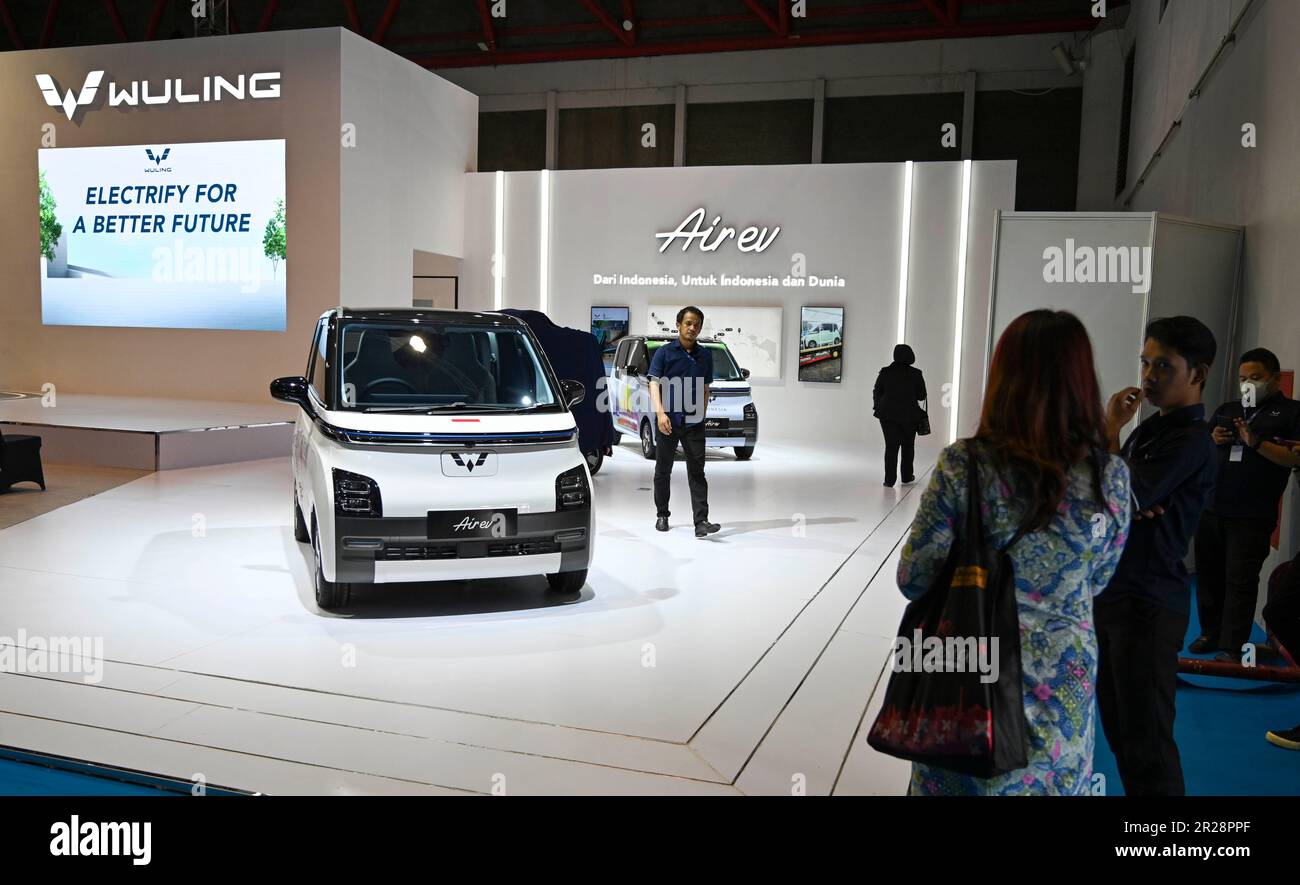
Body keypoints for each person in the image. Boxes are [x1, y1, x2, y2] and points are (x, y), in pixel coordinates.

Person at [897, 310, 1131, 795]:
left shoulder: (964, 465)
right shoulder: (1111, 477)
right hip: (1062, 685)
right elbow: (1100, 578)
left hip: (965, 676)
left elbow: (914, 577)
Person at [1095, 315, 1219, 796]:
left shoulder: (1191, 442)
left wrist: (1123, 492)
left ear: (1198, 373)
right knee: (1122, 734)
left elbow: (1121, 499)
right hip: (1117, 594)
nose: (1149, 376)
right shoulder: (1149, 431)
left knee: (1147, 745)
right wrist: (1113, 432)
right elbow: (1112, 497)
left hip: (1148, 605)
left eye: (1164, 366)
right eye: (1146, 363)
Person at [1192, 348, 1300, 661]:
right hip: (1212, 506)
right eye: (1243, 379)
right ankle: (1210, 633)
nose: (1248, 384)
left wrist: (1255, 441)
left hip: (1251, 513)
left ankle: (1231, 645)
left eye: (1256, 378)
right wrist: (1213, 438)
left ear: (1275, 379)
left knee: (1239, 580)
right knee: (1209, 576)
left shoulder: (1291, 413)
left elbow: (1293, 458)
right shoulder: (1228, 408)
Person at [648, 306, 720, 538]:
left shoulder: (705, 356)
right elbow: (654, 383)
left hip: (694, 422)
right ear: (678, 324)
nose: (692, 327)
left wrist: (703, 413)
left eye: (696, 324)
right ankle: (662, 514)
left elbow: (706, 388)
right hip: (668, 420)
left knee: (697, 472)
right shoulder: (664, 353)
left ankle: (701, 522)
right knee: (663, 470)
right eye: (688, 323)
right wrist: (660, 413)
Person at [873, 344, 927, 487]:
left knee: (891, 447)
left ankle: (889, 480)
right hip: (910, 416)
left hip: (887, 416)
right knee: (908, 446)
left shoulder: (885, 372)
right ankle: (907, 476)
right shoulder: (916, 373)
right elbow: (922, 396)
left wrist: (878, 406)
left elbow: (877, 391)